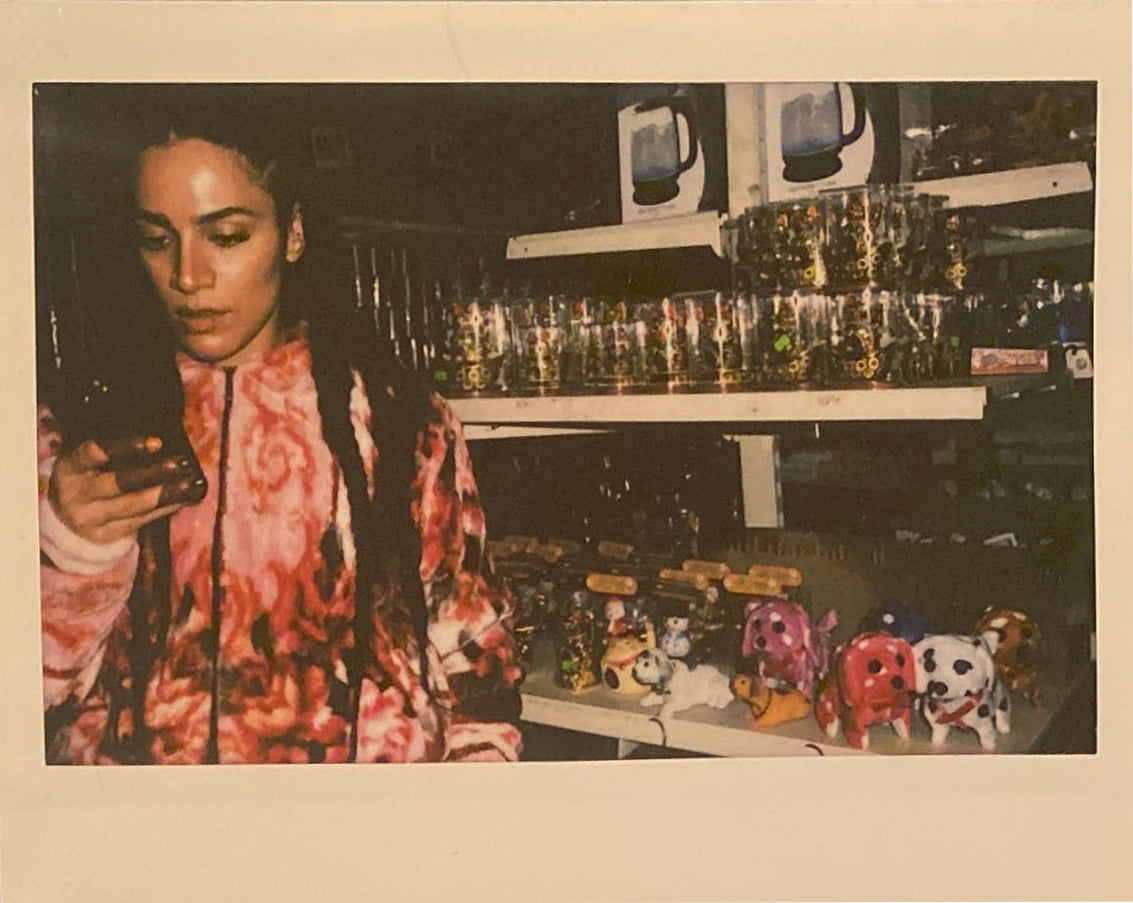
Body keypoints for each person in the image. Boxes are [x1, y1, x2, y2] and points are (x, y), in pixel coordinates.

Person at [37, 99, 524, 764]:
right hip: (150, 845)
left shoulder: (399, 422)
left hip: (361, 840)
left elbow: (475, 671)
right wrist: (71, 548)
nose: (187, 276)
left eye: (227, 235)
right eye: (157, 239)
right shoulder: (80, 435)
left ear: (292, 234)